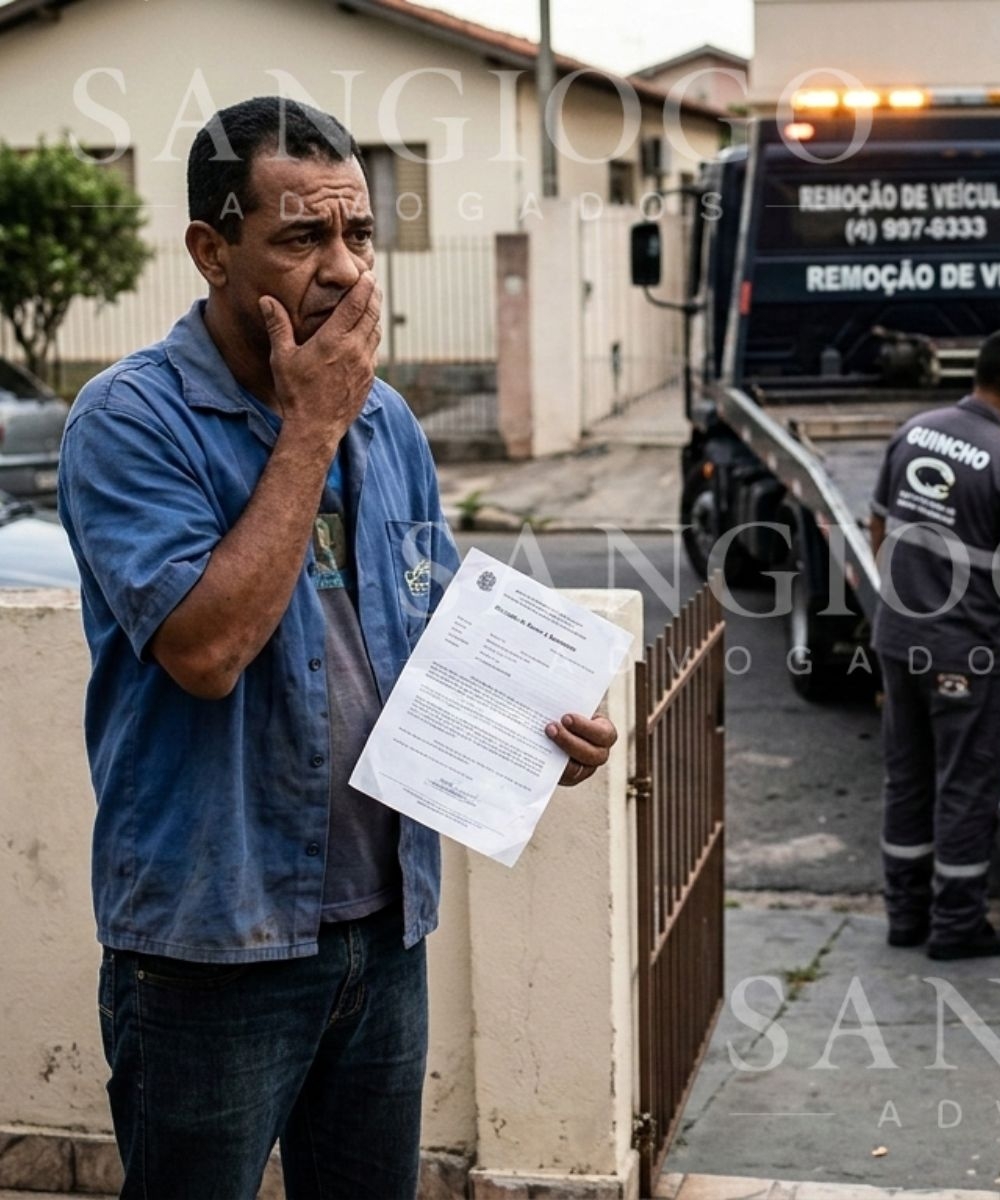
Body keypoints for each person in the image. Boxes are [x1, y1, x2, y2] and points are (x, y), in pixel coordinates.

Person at [56, 97, 617, 1198]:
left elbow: (429, 626)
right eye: (304, 238)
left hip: (382, 928)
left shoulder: (387, 421)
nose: (347, 270)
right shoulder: (131, 421)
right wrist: (310, 425)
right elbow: (206, 651)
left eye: (360, 236)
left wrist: (543, 725)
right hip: (211, 945)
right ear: (212, 252)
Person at [866, 329, 1000, 961]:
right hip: (964, 655)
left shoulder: (915, 430)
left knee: (907, 776)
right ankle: (955, 926)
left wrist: (906, 598)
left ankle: (905, 915)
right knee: (964, 783)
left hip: (898, 641)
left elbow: (877, 523)